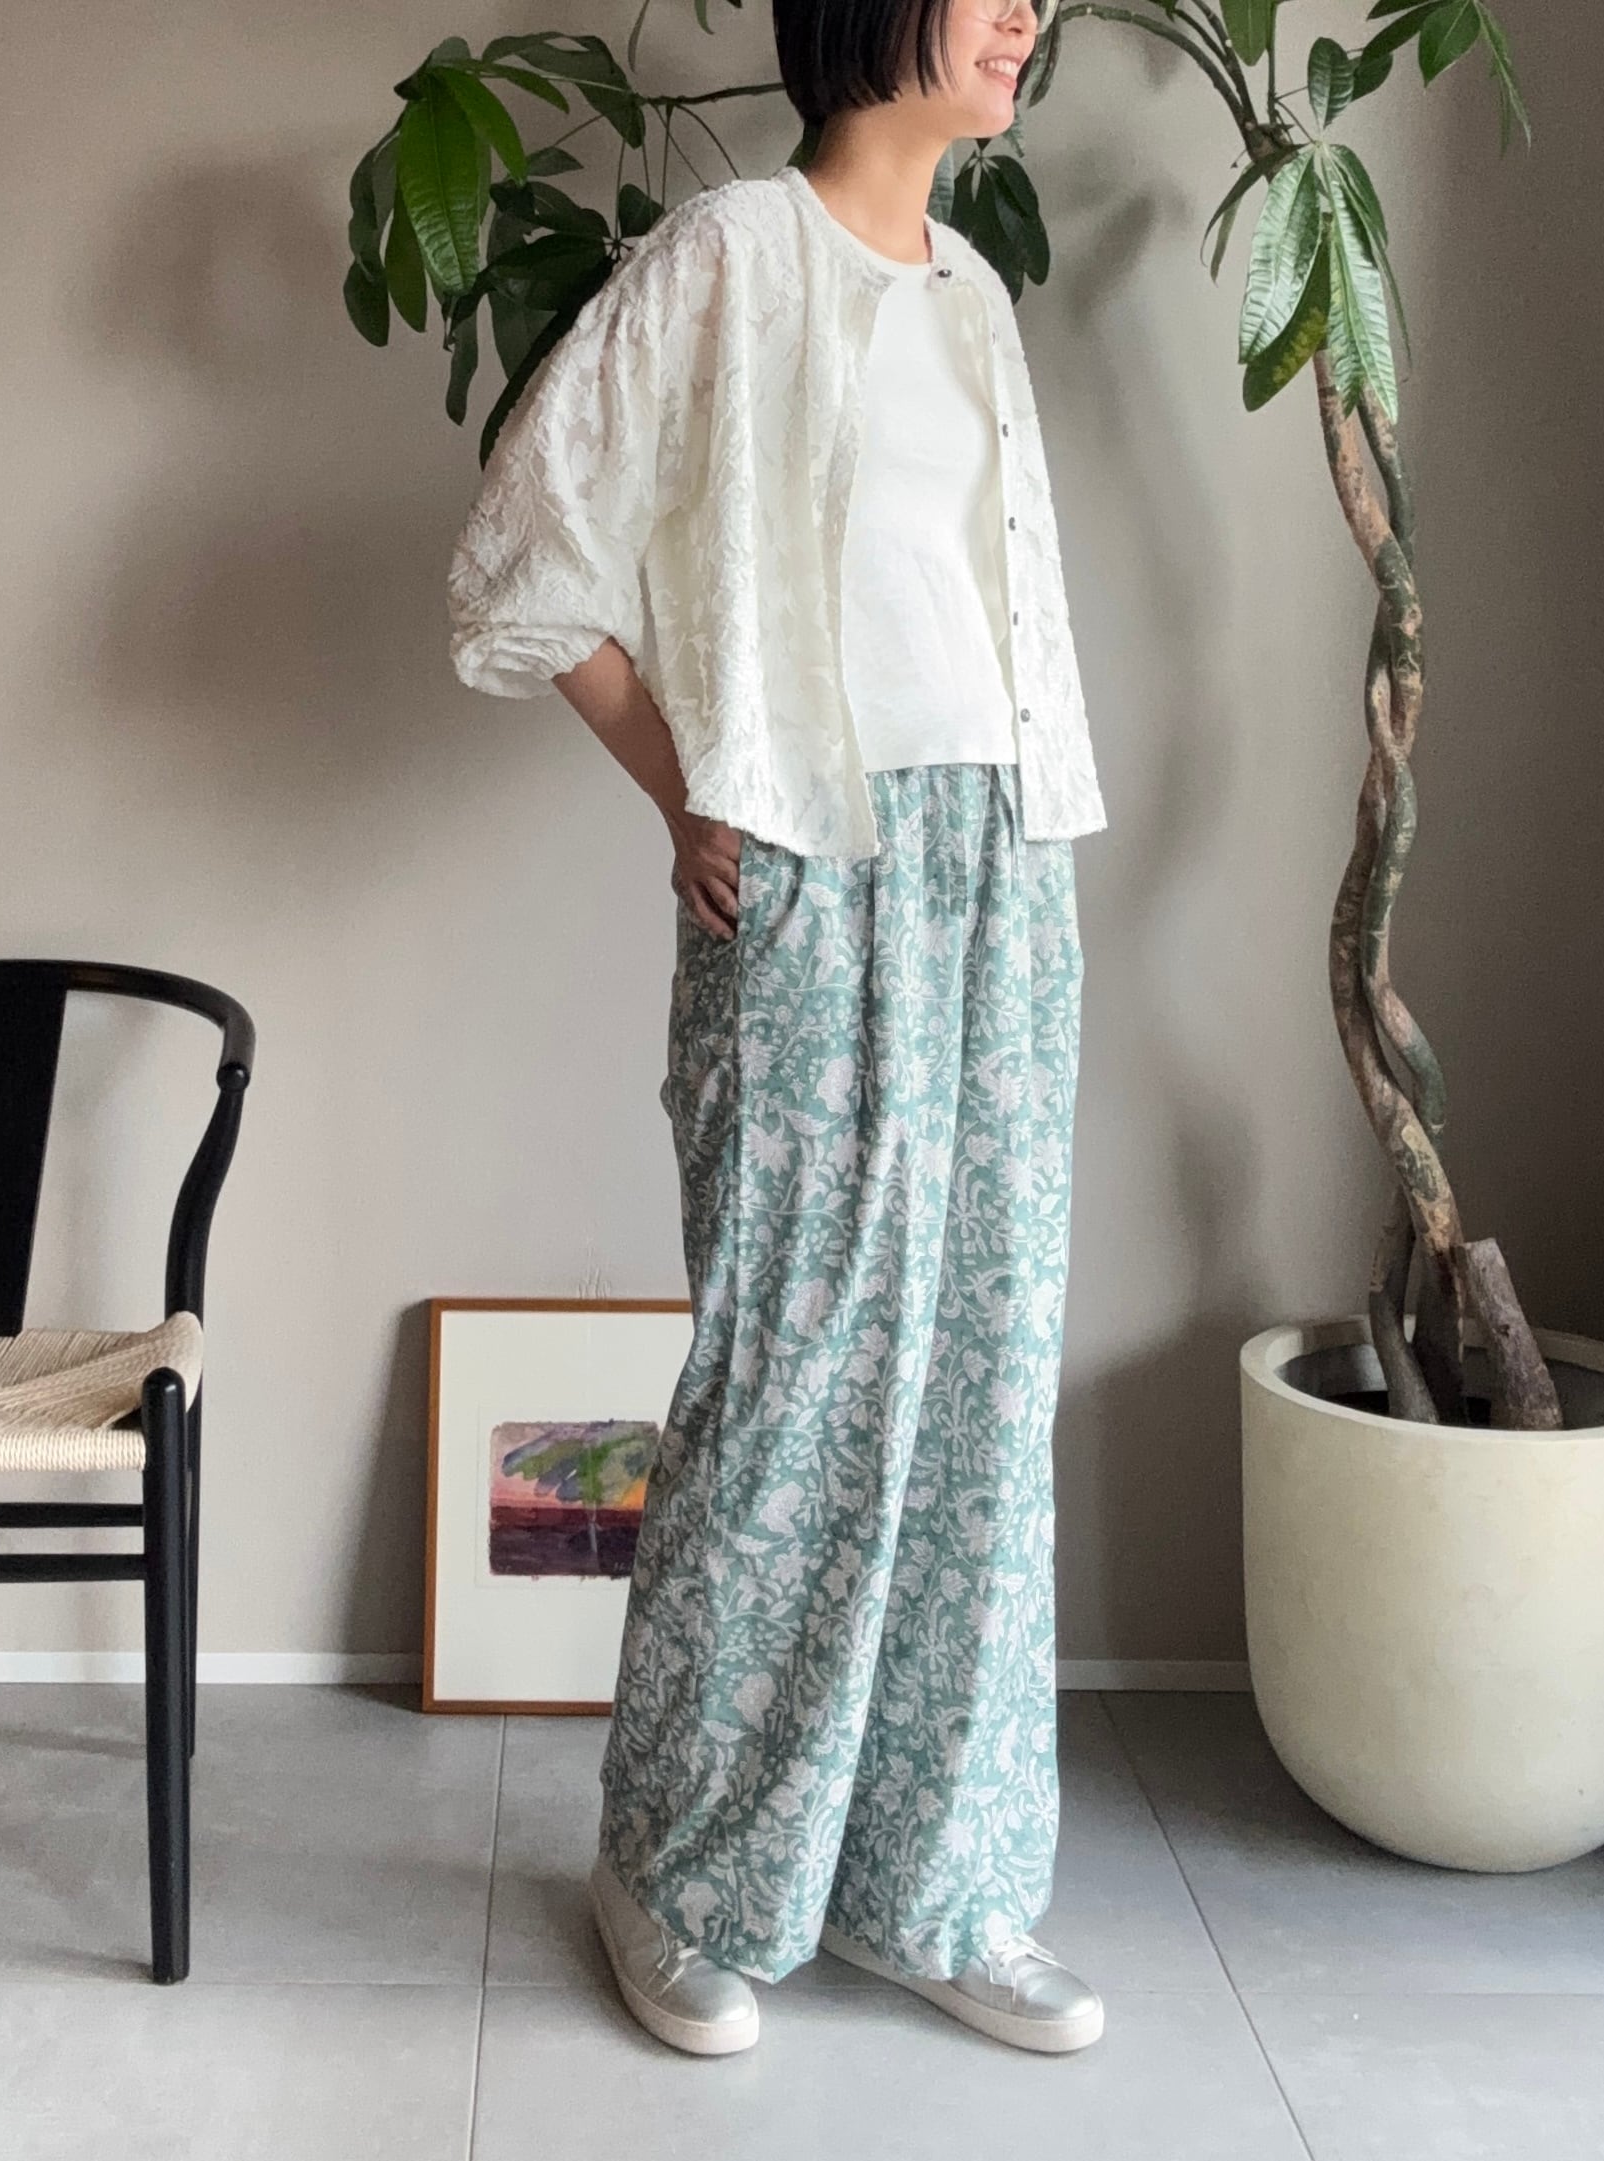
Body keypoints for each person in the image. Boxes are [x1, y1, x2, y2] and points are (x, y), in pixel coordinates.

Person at [447, 0, 1107, 2059]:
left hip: (1006, 873)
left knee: (982, 1391)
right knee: (792, 1382)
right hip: (817, 862)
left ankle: (937, 1883)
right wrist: (688, 788)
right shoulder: (727, 255)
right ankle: (680, 1873)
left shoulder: (975, 290)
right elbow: (521, 558)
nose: (1026, 12)